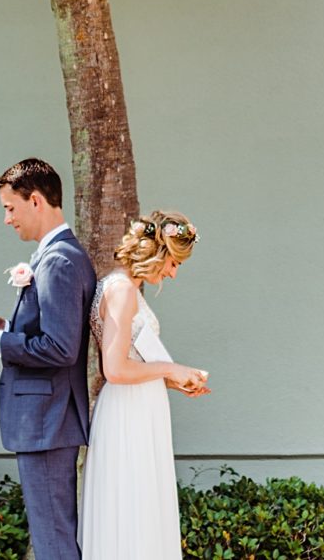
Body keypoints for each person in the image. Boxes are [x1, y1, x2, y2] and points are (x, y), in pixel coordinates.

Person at [0, 158, 96, 560]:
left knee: (54, 541)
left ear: (35, 200)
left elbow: (60, 348)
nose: (6, 219)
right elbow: (51, 332)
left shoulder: (59, 261)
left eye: (9, 207)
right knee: (52, 534)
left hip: (48, 420)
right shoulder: (54, 255)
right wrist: (1, 324)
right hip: (47, 421)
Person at [80, 210, 208, 560]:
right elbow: (116, 370)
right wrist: (171, 366)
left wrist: (173, 380)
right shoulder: (121, 290)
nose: (173, 273)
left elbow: (135, 364)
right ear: (158, 254)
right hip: (128, 416)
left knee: (142, 510)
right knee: (132, 509)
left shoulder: (127, 288)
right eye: (174, 263)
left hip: (140, 409)